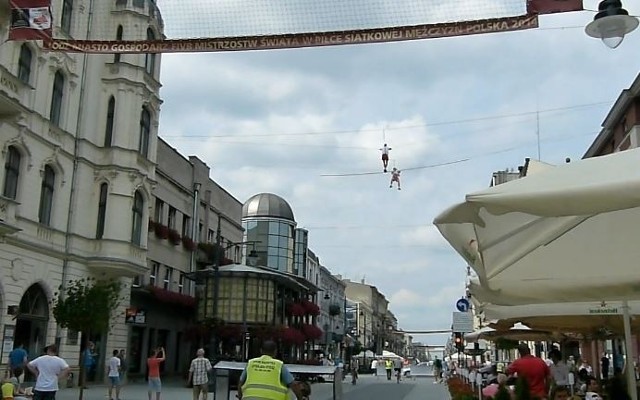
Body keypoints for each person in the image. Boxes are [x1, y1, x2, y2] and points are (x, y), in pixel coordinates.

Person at [238, 340, 307, 400]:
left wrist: (241, 397)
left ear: (261, 350)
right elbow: (293, 385)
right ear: (275, 352)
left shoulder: (251, 363)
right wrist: (300, 398)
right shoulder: (278, 365)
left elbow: (240, 382)